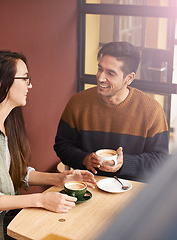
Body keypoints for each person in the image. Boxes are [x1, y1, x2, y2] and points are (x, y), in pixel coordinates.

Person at [0, 50, 96, 240]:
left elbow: (13, 172)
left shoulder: (7, 120)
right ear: (2, 83)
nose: (30, 85)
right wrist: (41, 200)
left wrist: (59, 179)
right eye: (25, 78)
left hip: (7, 217)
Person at [54, 41, 169, 182]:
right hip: (89, 186)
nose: (100, 77)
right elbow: (62, 145)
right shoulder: (78, 103)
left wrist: (124, 163)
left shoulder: (152, 110)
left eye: (111, 73)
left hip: (132, 191)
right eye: (100, 69)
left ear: (129, 78)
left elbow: (161, 160)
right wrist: (84, 159)